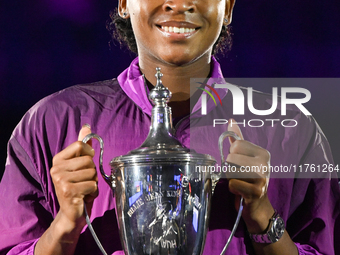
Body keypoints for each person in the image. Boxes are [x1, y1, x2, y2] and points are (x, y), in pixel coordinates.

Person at [0, 0, 339, 254]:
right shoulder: (51, 123)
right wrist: (65, 226)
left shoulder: (292, 128)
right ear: (123, 4)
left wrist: (262, 216)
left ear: (229, 7)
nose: (179, 3)